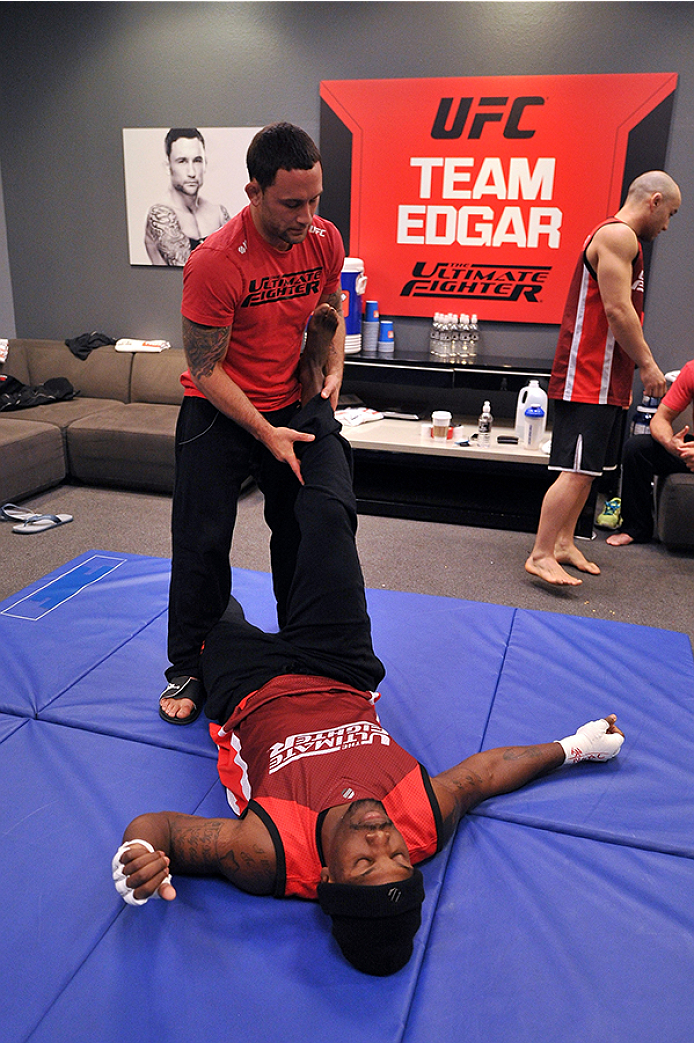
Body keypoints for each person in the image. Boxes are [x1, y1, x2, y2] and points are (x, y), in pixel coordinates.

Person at [114, 340, 625, 976]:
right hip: (340, 668)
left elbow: (158, 828)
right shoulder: (420, 820)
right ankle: (313, 400)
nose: (383, 842)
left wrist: (140, 853)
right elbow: (485, 774)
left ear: (327, 874)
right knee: (326, 519)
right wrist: (578, 747)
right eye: (398, 859)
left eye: (364, 861)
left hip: (251, 688)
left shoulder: (264, 855)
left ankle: (192, 654)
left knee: (207, 600)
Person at [160, 122, 346, 726]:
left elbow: (327, 315)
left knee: (299, 533)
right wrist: (264, 431)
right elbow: (205, 368)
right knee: (201, 543)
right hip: (219, 412)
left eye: (315, 200)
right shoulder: (214, 262)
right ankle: (189, 663)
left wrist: (330, 368)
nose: (307, 216)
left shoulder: (323, 240)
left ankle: (297, 647)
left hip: (290, 404)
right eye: (292, 203)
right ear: (254, 192)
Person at [525, 171, 681, 586]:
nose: (667, 225)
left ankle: (562, 543)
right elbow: (617, 310)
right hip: (587, 374)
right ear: (654, 200)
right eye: (670, 214)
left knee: (591, 469)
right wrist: (647, 364)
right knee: (575, 470)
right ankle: (541, 553)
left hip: (607, 377)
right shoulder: (617, 237)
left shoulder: (626, 242)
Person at [606, 361, 694, 545]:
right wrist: (672, 444)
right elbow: (660, 419)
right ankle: (636, 528)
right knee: (637, 448)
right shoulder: (691, 371)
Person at [144, 128, 231, 266]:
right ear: (168, 166)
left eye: (197, 161)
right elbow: (187, 268)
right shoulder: (160, 215)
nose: (192, 172)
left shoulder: (218, 212)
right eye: (182, 161)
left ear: (205, 164)